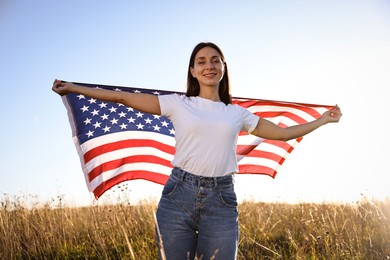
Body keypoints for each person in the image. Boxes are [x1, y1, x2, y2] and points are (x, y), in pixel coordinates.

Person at [52, 42, 342, 259]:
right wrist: (75, 88)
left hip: (221, 202)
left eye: (215, 60)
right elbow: (121, 98)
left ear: (223, 68)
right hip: (178, 197)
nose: (209, 65)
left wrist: (322, 121)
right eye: (201, 61)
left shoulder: (237, 114)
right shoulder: (178, 103)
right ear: (193, 70)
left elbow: (281, 133)